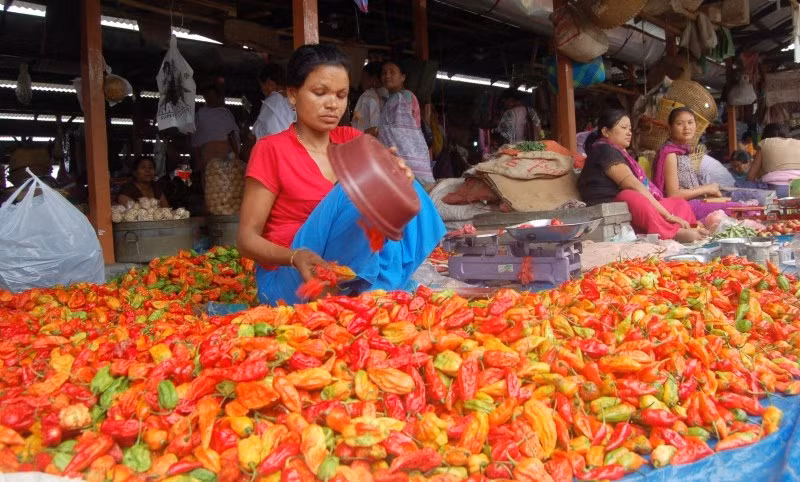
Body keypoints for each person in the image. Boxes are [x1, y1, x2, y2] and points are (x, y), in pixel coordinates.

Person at [237, 44, 446, 305]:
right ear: (292, 94)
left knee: (402, 184)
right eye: (320, 93)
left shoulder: (352, 140)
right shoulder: (271, 149)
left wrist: (399, 179)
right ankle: (370, 289)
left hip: (343, 274)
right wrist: (295, 256)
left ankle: (377, 287)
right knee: (358, 186)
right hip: (293, 277)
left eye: (341, 95)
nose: (332, 105)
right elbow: (246, 239)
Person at [577, 108, 706, 242]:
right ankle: (672, 233)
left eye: (630, 129)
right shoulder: (603, 150)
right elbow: (633, 185)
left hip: (631, 206)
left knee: (678, 203)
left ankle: (689, 226)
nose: (629, 133)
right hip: (612, 204)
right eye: (624, 127)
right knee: (631, 195)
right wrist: (668, 216)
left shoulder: (620, 152)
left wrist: (667, 212)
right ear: (605, 132)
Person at [652, 107, 745, 221]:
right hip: (683, 207)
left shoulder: (683, 151)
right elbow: (674, 194)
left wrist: (708, 191)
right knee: (741, 209)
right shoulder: (670, 154)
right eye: (680, 123)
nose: (686, 127)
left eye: (690, 122)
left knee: (745, 201)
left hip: (694, 202)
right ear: (670, 127)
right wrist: (706, 189)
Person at [377, 60, 435, 184]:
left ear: (402, 77)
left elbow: (402, 134)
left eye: (392, 72)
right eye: (384, 72)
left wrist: (376, 131)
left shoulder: (402, 97)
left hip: (408, 161)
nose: (387, 76)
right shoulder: (392, 99)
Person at [191, 84, 240, 173]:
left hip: (224, 153)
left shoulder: (225, 114)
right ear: (205, 97)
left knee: (226, 181)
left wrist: (236, 155)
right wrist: (198, 159)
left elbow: (232, 135)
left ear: (217, 97)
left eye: (213, 96)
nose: (211, 98)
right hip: (207, 154)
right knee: (210, 181)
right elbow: (195, 140)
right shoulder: (200, 115)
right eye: (208, 96)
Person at [743, 123, 800, 197]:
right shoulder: (798, 143)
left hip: (776, 189)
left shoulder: (765, 143)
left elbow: (751, 176)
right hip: (798, 187)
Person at [252, 64, 296, 140]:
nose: (262, 91)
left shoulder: (271, 103)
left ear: (270, 83)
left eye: (262, 86)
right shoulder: (297, 98)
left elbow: (261, 131)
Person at [351, 61, 388, 135]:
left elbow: (361, 127)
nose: (361, 81)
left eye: (363, 77)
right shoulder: (389, 95)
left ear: (374, 79)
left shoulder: (368, 96)